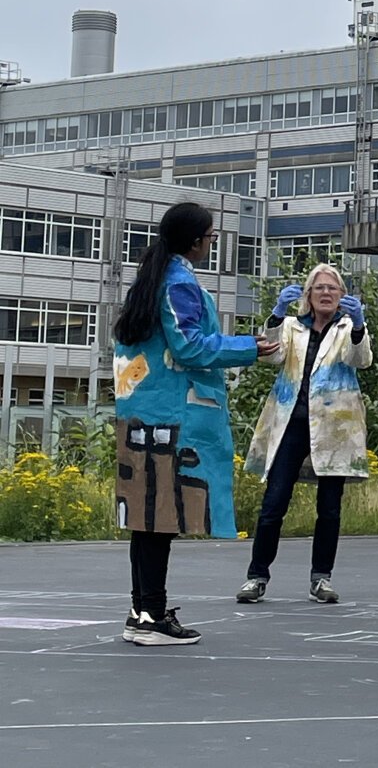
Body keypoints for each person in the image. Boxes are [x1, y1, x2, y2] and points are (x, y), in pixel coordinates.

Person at [113, 201, 274, 646]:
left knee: (146, 520)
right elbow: (189, 346)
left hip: (141, 411)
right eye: (211, 237)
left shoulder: (150, 278)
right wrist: (248, 347)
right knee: (160, 518)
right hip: (172, 415)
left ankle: (141, 612)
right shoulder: (179, 281)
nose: (211, 243)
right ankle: (153, 615)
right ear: (195, 241)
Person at [237, 263, 371, 604]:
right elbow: (270, 357)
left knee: (329, 509)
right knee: (274, 503)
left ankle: (321, 578)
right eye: (319, 288)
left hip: (334, 428)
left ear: (342, 296)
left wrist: (359, 326)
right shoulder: (292, 326)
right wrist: (276, 314)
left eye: (333, 288)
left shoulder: (348, 327)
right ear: (307, 295)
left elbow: (361, 360)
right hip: (292, 424)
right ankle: (256, 577)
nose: (326, 293)